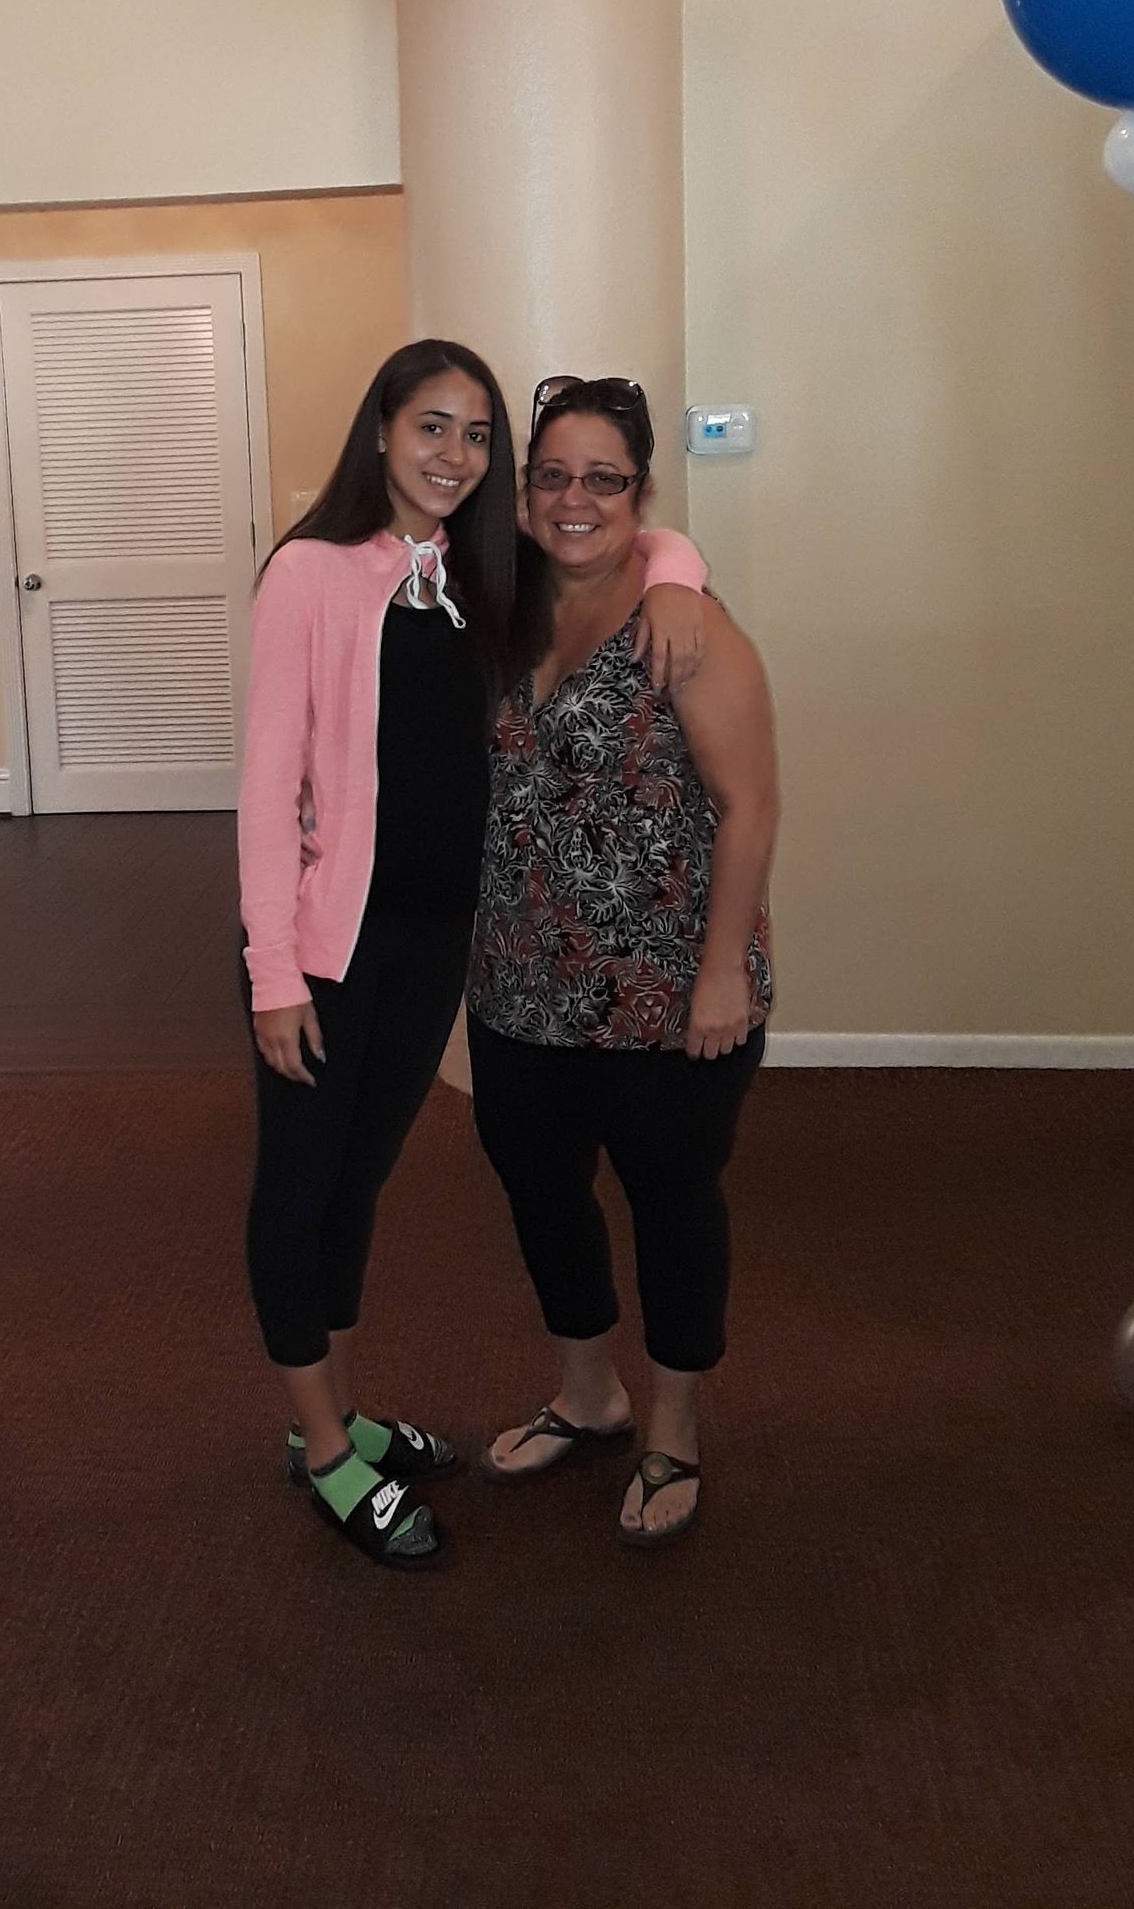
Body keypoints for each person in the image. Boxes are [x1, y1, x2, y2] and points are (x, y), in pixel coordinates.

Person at [239, 341, 708, 1568]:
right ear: (381, 430)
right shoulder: (310, 571)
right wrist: (272, 971)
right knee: (298, 1187)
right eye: (431, 427)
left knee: (359, 1182)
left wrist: (684, 577)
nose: (455, 456)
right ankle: (325, 1451)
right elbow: (260, 787)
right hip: (327, 945)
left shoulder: (477, 571)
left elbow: (634, 538)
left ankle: (331, 1416)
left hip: (436, 938)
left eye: (478, 436)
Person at [469, 375, 778, 1548]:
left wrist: (720, 975)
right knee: (541, 1191)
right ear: (525, 490)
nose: (574, 497)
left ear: (641, 493)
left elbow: (750, 808)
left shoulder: (689, 625)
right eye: (552, 474)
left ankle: (674, 1429)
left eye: (604, 477)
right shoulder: (496, 608)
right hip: (517, 978)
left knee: (672, 1206)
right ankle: (588, 1393)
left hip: (668, 989)